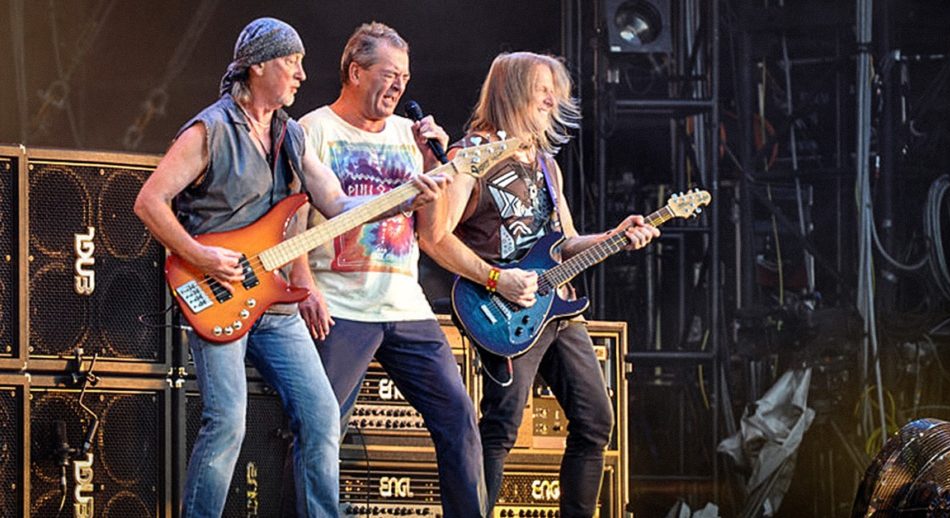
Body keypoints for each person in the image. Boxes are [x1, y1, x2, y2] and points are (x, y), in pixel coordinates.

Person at [133, 18, 445, 517]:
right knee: (227, 420)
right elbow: (150, 201)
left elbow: (336, 204)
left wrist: (402, 199)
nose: (302, 74)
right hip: (216, 289)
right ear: (258, 66)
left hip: (274, 301)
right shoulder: (210, 129)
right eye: (291, 62)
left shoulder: (291, 134)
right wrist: (200, 255)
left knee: (322, 415)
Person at [419, 51, 660, 517]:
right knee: (502, 426)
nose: (553, 100)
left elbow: (564, 242)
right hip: (502, 310)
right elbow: (435, 236)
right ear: (512, 93)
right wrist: (497, 279)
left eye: (555, 91)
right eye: (542, 90)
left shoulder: (547, 165)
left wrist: (614, 237)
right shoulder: (472, 156)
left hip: (557, 307)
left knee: (596, 420)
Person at [291, 22, 486, 516]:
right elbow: (290, 221)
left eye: (405, 76)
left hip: (405, 305)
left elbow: (431, 232)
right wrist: (304, 286)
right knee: (321, 428)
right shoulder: (315, 130)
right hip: (341, 306)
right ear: (356, 72)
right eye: (388, 73)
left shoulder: (408, 135)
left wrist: (433, 163)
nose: (399, 85)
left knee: (459, 418)